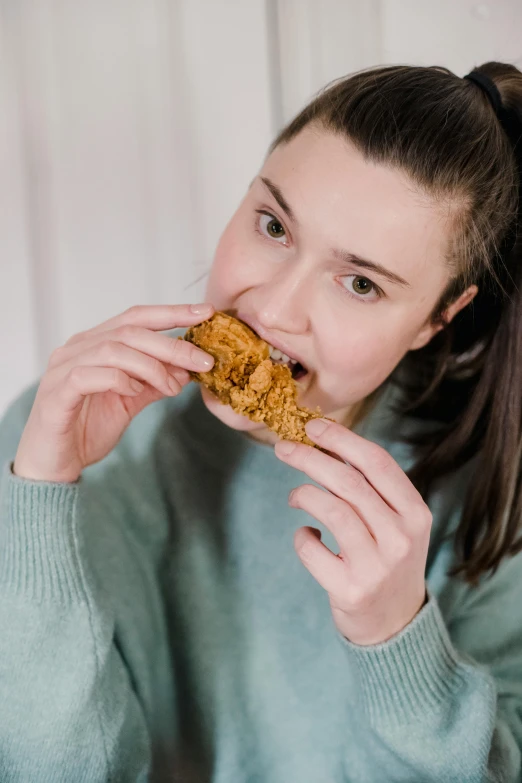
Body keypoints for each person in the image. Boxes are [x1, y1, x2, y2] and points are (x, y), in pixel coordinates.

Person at [1, 61, 521, 783]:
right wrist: (41, 495)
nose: (271, 309)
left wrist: (396, 637)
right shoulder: (61, 431)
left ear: (438, 318)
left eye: (361, 283)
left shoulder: (492, 500)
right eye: (273, 225)